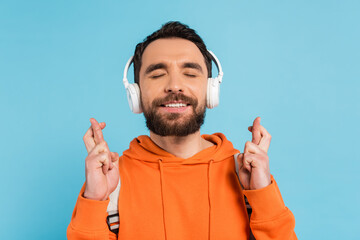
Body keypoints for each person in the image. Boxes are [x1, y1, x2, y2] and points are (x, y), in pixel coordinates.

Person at [67, 21, 297, 240]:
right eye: (157, 74)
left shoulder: (247, 175)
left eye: (190, 73)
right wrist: (95, 200)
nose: (174, 85)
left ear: (210, 90)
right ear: (135, 94)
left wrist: (263, 195)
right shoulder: (112, 181)